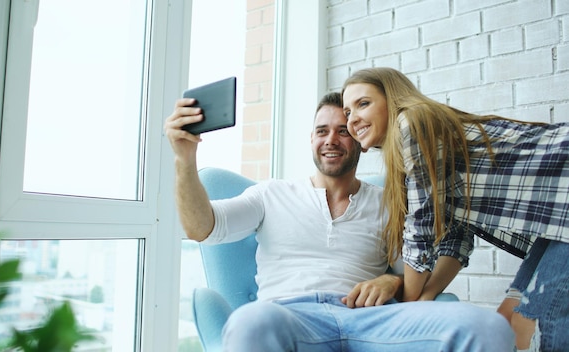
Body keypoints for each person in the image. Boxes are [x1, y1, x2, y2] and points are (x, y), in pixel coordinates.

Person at [164, 91, 514, 351]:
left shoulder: (392, 203)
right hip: (290, 317)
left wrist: (389, 283)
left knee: (487, 328)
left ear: (361, 141)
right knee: (250, 321)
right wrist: (184, 159)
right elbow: (201, 227)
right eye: (321, 131)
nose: (331, 140)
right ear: (312, 140)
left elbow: (411, 277)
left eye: (343, 131)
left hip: (371, 321)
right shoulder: (269, 195)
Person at [341, 67, 569, 352]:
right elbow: (457, 237)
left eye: (363, 103)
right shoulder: (413, 148)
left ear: (392, 98)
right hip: (558, 217)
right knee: (510, 322)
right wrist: (425, 299)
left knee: (546, 320)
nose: (353, 118)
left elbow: (420, 229)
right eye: (347, 112)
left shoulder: (410, 122)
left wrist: (407, 310)